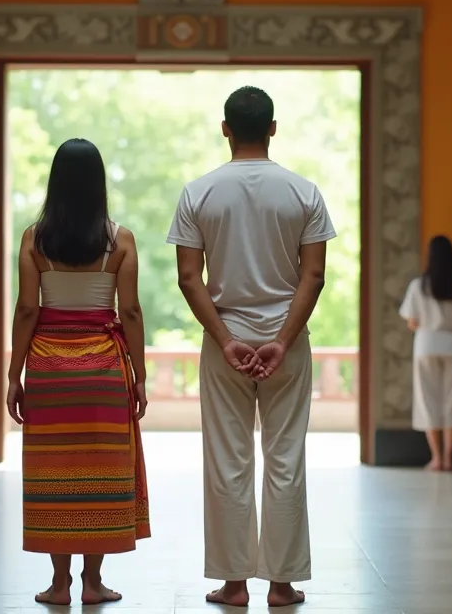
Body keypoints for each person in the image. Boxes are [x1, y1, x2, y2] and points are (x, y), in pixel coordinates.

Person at [168, 86, 334, 608]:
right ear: (273, 128)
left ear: (224, 129)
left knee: (228, 459)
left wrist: (226, 340)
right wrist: (282, 341)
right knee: (285, 459)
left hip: (225, 345)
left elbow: (190, 280)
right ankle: (282, 585)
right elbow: (314, 275)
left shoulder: (198, 193)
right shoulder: (303, 192)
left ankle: (235, 584)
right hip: (287, 342)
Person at [5, 138, 151, 607]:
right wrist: (139, 374)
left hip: (49, 367)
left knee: (54, 472)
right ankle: (93, 582)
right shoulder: (120, 240)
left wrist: (14, 375)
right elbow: (128, 311)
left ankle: (59, 583)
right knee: (100, 472)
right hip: (103, 368)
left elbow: (28, 308)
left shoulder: (35, 239)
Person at [398, 235, 452, 471]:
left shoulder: (418, 287)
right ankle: (450, 458)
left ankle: (436, 458)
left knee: (428, 400)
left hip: (426, 344)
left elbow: (412, 321)